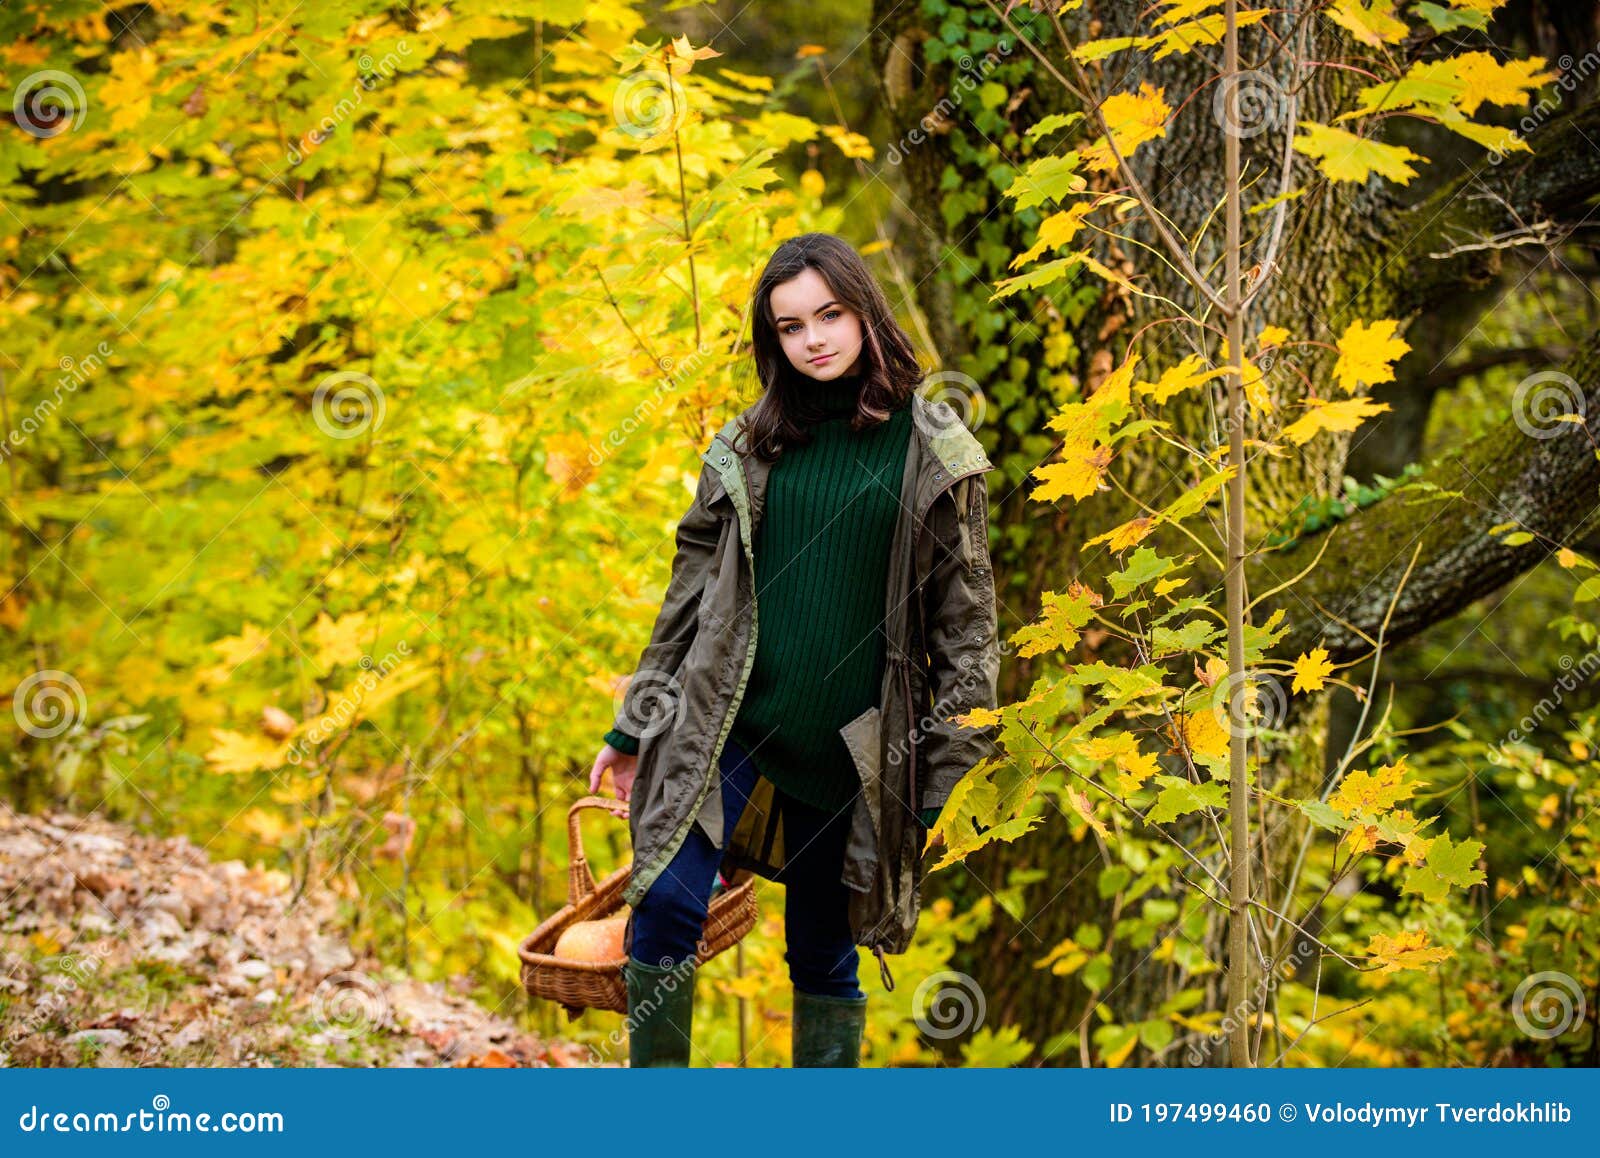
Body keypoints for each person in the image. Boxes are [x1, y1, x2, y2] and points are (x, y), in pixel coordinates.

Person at [590, 232, 1000, 1068]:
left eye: (829, 315)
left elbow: (968, 631)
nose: (813, 338)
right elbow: (687, 600)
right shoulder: (748, 444)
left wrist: (945, 783)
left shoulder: (935, 451)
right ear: (770, 340)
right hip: (727, 719)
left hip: (859, 745)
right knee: (665, 902)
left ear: (864, 314)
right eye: (789, 326)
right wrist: (634, 731)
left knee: (823, 950)